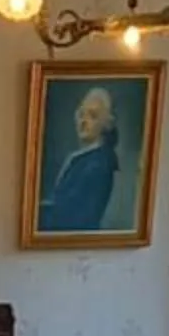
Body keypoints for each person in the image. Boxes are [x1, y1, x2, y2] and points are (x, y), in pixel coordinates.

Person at [39, 84, 125, 235]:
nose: (83, 121)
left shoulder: (99, 164)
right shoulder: (81, 158)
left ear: (105, 124)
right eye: (81, 114)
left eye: (92, 116)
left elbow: (73, 216)